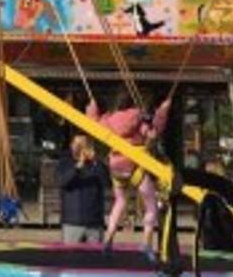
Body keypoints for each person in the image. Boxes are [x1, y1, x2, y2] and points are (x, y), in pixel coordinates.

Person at [86, 92, 172, 256]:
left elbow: (94, 124)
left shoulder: (109, 119)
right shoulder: (139, 117)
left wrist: (92, 109)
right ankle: (146, 243)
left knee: (120, 201)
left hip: (116, 164)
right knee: (151, 205)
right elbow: (154, 131)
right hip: (135, 163)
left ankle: (109, 238)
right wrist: (163, 110)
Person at [57, 135, 106, 244]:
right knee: (70, 258)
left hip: (94, 222)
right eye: (77, 145)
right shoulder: (65, 163)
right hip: (72, 222)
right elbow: (63, 182)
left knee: (95, 258)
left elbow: (106, 182)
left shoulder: (97, 164)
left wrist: (95, 161)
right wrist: (78, 166)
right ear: (71, 146)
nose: (80, 148)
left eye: (83, 145)